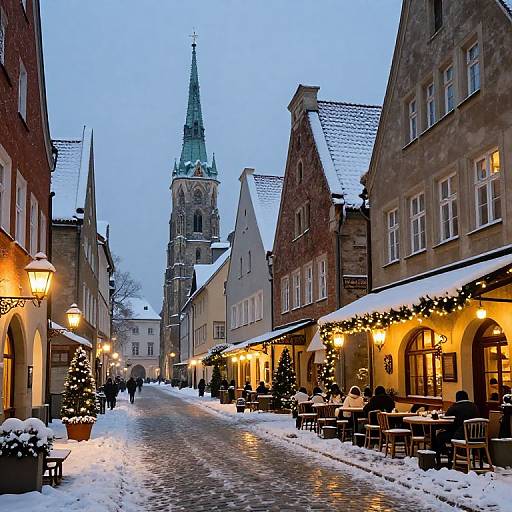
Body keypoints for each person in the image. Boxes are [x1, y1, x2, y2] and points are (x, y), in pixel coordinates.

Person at [433, 390, 479, 466]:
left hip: (461, 435)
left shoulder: (455, 407)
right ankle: (450, 453)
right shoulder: (474, 406)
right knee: (446, 434)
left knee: (440, 436)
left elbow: (447, 416)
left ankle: (445, 456)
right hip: (475, 435)